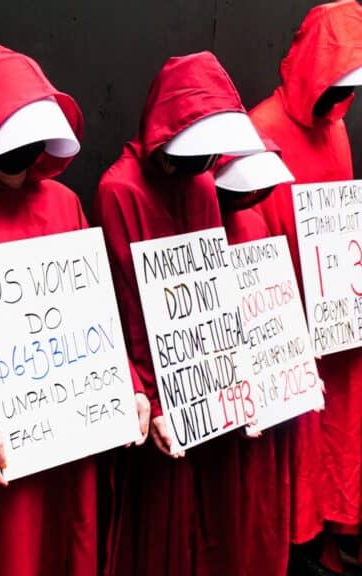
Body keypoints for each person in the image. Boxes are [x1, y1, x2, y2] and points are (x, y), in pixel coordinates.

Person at [0, 41, 147, 576]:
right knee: (15, 552)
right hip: (9, 436)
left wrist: (128, 383)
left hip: (74, 419)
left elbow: (96, 310)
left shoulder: (64, 203)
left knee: (77, 540)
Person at [93, 51, 264, 576]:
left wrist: (237, 376)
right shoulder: (118, 189)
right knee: (159, 527)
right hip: (155, 394)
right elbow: (122, 304)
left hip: (206, 382)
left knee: (214, 519)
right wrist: (147, 393)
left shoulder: (202, 184)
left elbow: (213, 289)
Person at [248, 2, 362, 571]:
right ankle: (300, 540)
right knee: (299, 438)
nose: (342, 99)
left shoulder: (337, 128)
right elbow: (248, 227)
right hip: (285, 315)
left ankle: (334, 529)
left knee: (340, 426)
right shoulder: (260, 129)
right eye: (337, 83)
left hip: (336, 315)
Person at [214, 137, 297, 576]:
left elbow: (274, 305)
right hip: (221, 409)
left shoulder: (256, 222)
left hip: (262, 399)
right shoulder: (200, 224)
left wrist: (293, 365)